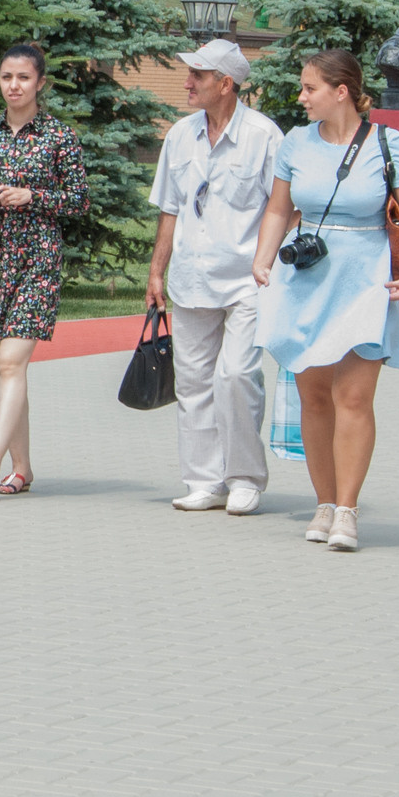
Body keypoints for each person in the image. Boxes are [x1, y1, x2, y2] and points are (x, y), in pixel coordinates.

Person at [251, 49, 399, 551]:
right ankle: (323, 502)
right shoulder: (295, 143)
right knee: (313, 397)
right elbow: (277, 209)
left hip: (364, 278)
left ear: (341, 92)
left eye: (310, 89)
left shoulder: (389, 144)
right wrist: (262, 259)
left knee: (353, 397)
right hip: (305, 277)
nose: (301, 97)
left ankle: (347, 512)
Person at [146, 38, 284, 517]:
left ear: (226, 84)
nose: (187, 83)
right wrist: (157, 270)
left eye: (198, 76)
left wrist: (270, 265)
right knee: (194, 382)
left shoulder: (265, 136)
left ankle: (244, 477)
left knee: (236, 375)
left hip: (248, 280)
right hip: (189, 278)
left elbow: (284, 210)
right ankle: (205, 480)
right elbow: (169, 207)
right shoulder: (180, 136)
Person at [0, 44, 89, 498]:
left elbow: (78, 200)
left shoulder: (60, 137)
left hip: (38, 257)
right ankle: (23, 468)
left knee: (12, 362)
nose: (14, 85)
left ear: (40, 83)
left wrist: (33, 196)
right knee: (5, 367)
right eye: (7, 77)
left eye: (23, 78)